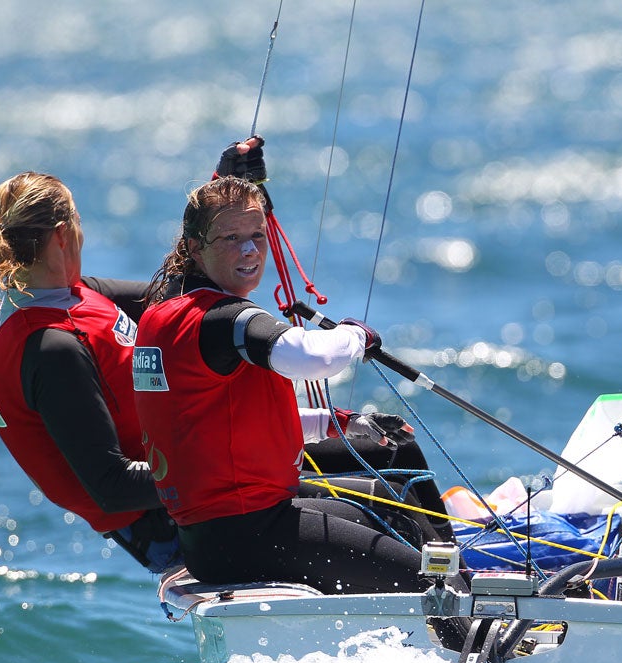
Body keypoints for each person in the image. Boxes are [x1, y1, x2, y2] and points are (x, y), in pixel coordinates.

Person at [132, 171, 465, 597]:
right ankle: (468, 630)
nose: (250, 249)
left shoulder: (167, 314)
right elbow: (309, 356)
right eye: (231, 238)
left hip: (219, 536)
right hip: (248, 533)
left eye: (257, 234)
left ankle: (443, 601)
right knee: (437, 582)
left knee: (392, 511)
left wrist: (336, 424)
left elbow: (231, 426)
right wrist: (356, 335)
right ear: (195, 248)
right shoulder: (220, 319)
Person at [0, 172, 181, 573]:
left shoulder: (75, 295)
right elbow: (112, 489)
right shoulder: (50, 347)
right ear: (64, 235)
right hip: (169, 525)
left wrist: (225, 195)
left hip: (189, 477)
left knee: (316, 446)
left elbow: (179, 295)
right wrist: (228, 465)